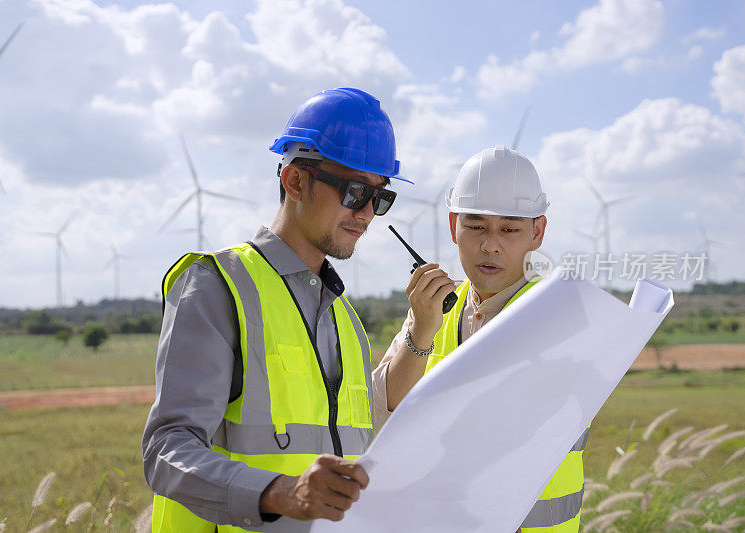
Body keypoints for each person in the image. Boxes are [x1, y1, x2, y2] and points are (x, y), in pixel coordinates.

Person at [142, 87, 410, 532]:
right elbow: (167, 452)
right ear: (295, 181)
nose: (366, 214)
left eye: (379, 198)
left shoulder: (347, 321)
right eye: (354, 192)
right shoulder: (217, 286)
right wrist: (283, 494)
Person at [373, 145, 589, 533]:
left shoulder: (560, 319)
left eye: (509, 229)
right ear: (454, 225)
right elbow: (379, 418)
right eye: (476, 227)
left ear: (537, 232)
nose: (490, 244)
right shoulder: (433, 310)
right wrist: (422, 331)